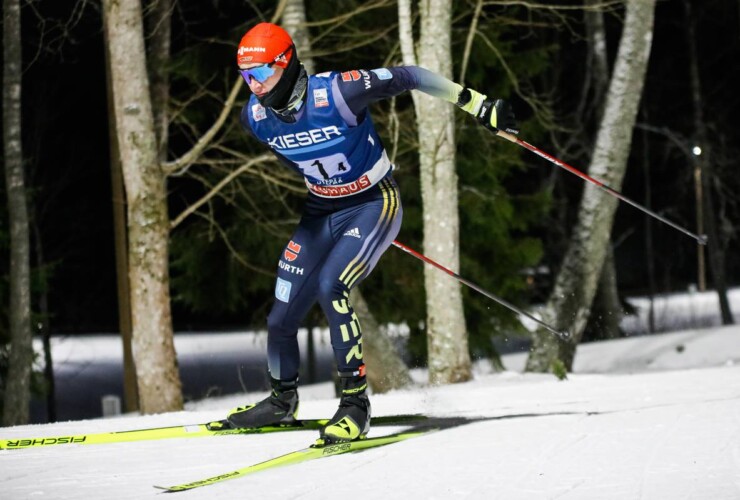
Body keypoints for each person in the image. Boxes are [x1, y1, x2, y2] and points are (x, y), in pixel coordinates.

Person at [227, 22, 518, 444]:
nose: (252, 86)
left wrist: (478, 104)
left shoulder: (339, 93)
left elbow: (413, 76)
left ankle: (354, 405)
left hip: (373, 202)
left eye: (259, 73)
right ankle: (281, 401)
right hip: (322, 210)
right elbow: (301, 159)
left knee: (331, 286)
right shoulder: (254, 118)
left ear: (285, 63)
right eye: (244, 76)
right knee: (282, 312)